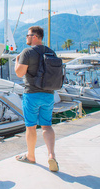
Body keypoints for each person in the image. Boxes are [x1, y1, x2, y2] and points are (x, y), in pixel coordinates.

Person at [14, 26, 59, 172]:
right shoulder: (51, 52)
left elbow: (20, 73)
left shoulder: (27, 52)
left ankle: (31, 156)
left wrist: (16, 61)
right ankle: (51, 154)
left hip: (32, 94)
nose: (26, 37)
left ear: (35, 36)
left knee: (31, 126)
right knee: (47, 126)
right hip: (49, 94)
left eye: (27, 35)